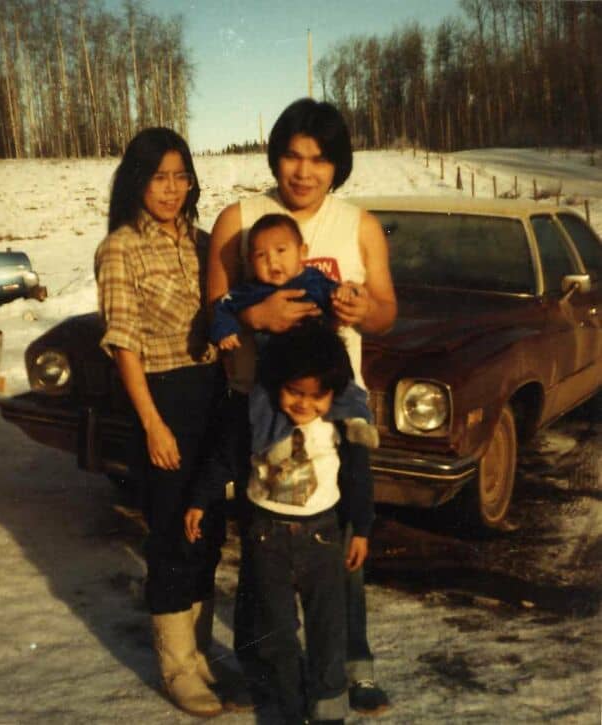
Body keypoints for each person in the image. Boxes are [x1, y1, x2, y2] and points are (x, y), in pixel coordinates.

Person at [207, 97, 397, 715]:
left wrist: (363, 309)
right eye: (292, 156)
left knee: (340, 543)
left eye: (319, 159)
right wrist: (254, 316)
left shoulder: (359, 224)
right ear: (275, 157)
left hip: (329, 407)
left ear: (337, 164)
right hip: (260, 403)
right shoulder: (240, 218)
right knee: (261, 546)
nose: (304, 171)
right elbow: (215, 307)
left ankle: (351, 668)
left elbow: (386, 311)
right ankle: (262, 668)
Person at [94, 127, 229, 718]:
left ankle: (202, 654)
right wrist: (152, 424)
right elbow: (124, 344)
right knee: (173, 533)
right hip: (162, 400)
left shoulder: (203, 243)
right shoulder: (120, 249)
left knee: (209, 530)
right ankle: (177, 667)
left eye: (181, 177)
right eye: (158, 178)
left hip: (212, 396)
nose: (171, 190)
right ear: (136, 182)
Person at [185, 322, 374, 724]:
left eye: (317, 396)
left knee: (327, 632)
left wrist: (360, 528)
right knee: (276, 633)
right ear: (276, 383)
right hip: (266, 537)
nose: (304, 404)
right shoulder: (257, 416)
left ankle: (328, 712)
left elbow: (358, 477)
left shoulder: (338, 423)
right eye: (294, 392)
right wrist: (200, 500)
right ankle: (290, 708)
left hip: (323, 538)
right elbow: (224, 458)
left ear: (333, 393)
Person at [210, 212, 359, 350]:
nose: (272, 261)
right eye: (261, 255)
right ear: (251, 261)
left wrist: (345, 293)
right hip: (276, 363)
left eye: (281, 250)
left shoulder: (314, 280)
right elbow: (223, 305)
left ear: (302, 252)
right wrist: (225, 330)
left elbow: (337, 295)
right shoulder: (252, 290)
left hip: (323, 357)